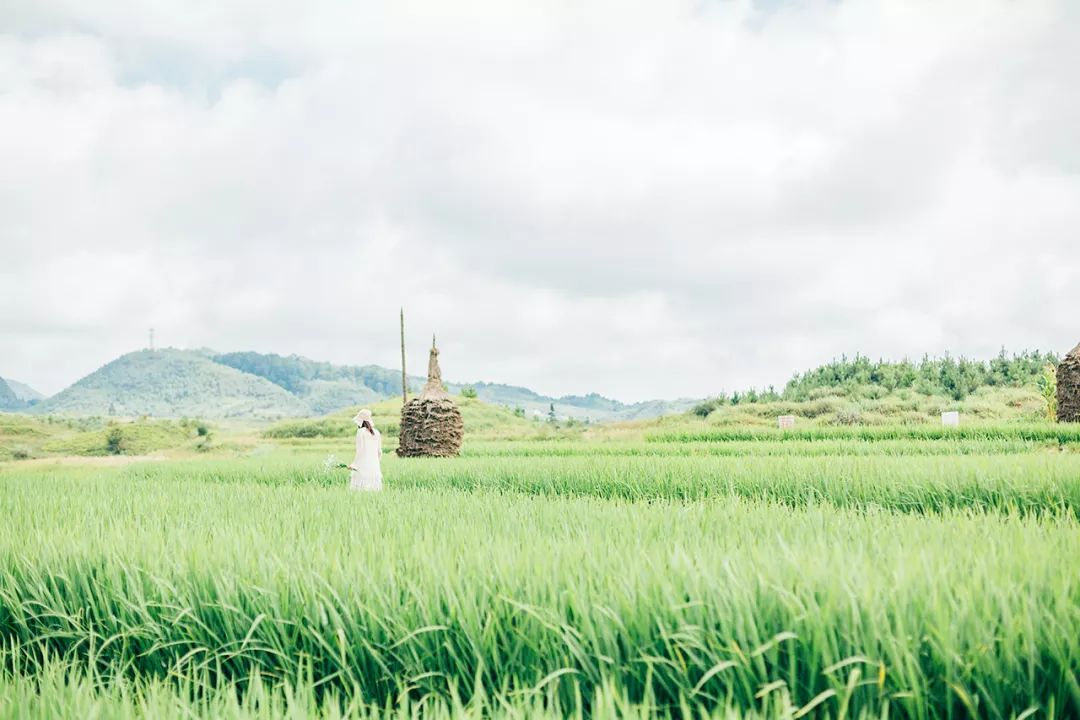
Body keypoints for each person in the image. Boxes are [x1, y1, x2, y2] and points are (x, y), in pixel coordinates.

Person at [347, 409, 383, 491]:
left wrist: (354, 464)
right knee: (374, 491)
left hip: (362, 466)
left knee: (360, 490)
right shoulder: (377, 432)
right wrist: (376, 463)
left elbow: (360, 451)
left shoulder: (360, 432)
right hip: (374, 467)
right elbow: (379, 452)